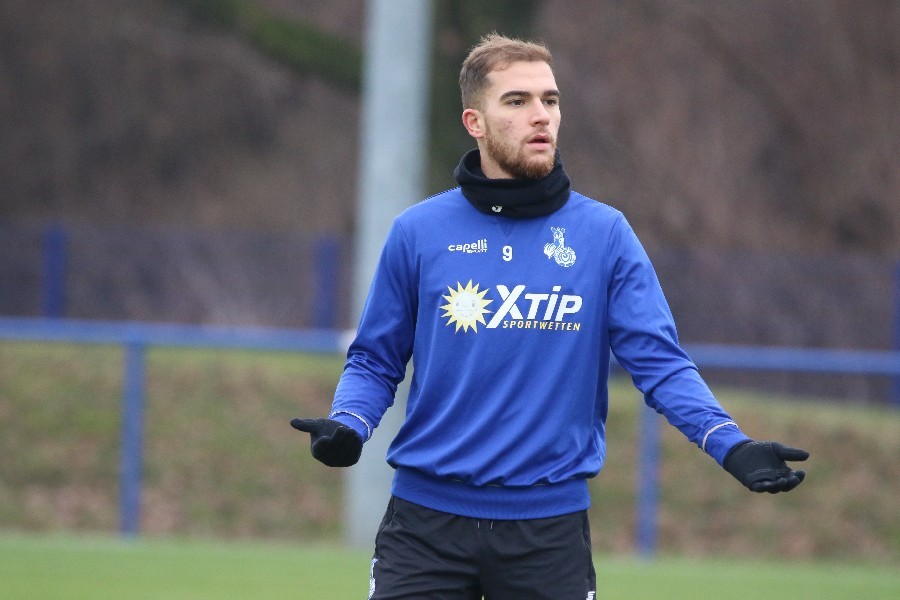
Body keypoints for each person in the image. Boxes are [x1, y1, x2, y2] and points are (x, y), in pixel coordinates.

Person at [291, 33, 808, 600]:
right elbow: (374, 359)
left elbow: (661, 366)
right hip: (424, 527)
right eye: (517, 101)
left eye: (551, 100)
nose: (541, 115)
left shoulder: (605, 235)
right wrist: (350, 423)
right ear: (475, 121)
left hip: (547, 536)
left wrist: (729, 443)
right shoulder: (418, 232)